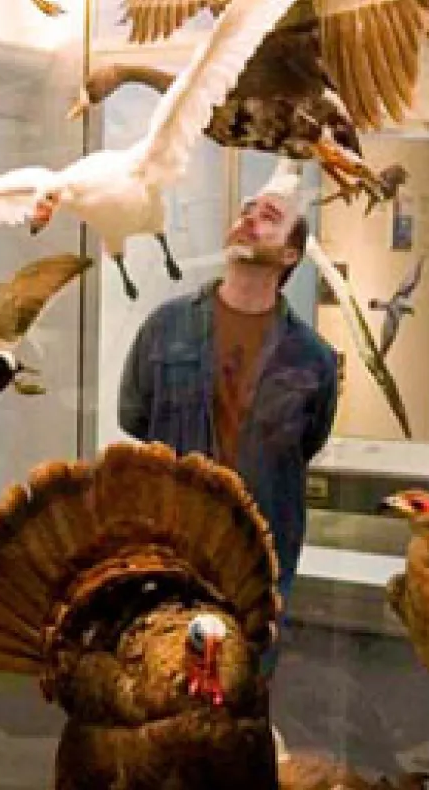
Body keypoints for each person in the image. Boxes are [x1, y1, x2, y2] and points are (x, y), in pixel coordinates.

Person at [118, 179, 339, 675]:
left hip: (257, 566)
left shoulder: (312, 359)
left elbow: (307, 441)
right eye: (246, 209)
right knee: (158, 696)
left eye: (269, 215)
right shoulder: (165, 327)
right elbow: (134, 416)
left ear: (289, 253)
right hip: (168, 553)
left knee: (242, 705)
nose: (249, 218)